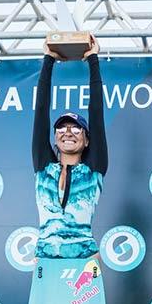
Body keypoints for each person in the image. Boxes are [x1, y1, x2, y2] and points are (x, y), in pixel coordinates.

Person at [33, 35, 108, 259]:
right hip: (45, 256)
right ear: (55, 137)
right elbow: (41, 111)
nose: (68, 132)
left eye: (76, 129)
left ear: (87, 139)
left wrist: (93, 59)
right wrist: (48, 60)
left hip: (85, 257)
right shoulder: (43, 166)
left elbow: (96, 110)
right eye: (62, 128)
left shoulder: (94, 169)